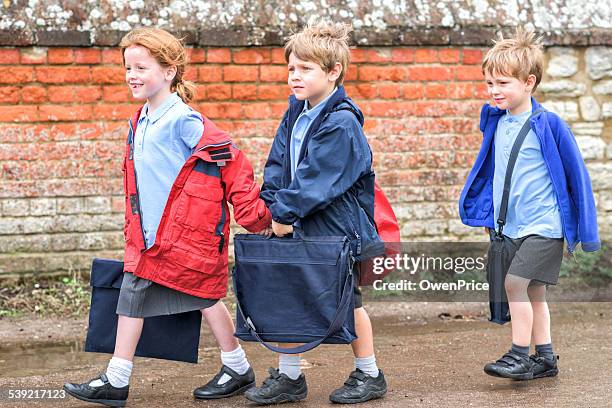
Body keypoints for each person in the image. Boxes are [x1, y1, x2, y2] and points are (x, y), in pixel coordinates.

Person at [63, 27, 272, 407]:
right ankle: (229, 366)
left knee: (199, 295)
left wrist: (254, 215)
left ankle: (123, 378)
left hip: (183, 237)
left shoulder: (183, 120)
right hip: (148, 237)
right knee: (157, 297)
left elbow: (231, 163)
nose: (132, 75)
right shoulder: (139, 119)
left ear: (170, 71)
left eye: (141, 67)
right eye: (128, 67)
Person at [245, 22, 387, 405]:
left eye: (305, 69)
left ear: (333, 71)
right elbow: (277, 162)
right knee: (288, 296)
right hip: (296, 223)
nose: (295, 76)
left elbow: (317, 179)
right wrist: (274, 204)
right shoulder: (296, 111)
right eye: (291, 68)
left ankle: (370, 373)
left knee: (348, 302)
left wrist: (285, 212)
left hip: (335, 231)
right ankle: (290, 377)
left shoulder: (341, 123)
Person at [459, 28, 600, 380]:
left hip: (545, 226)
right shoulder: (496, 122)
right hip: (513, 225)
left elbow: (577, 179)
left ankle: (520, 354)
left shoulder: (550, 126)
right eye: (489, 82)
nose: (494, 90)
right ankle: (546, 357)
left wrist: (586, 231)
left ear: (529, 82)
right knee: (535, 291)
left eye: (503, 83)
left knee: (515, 284)